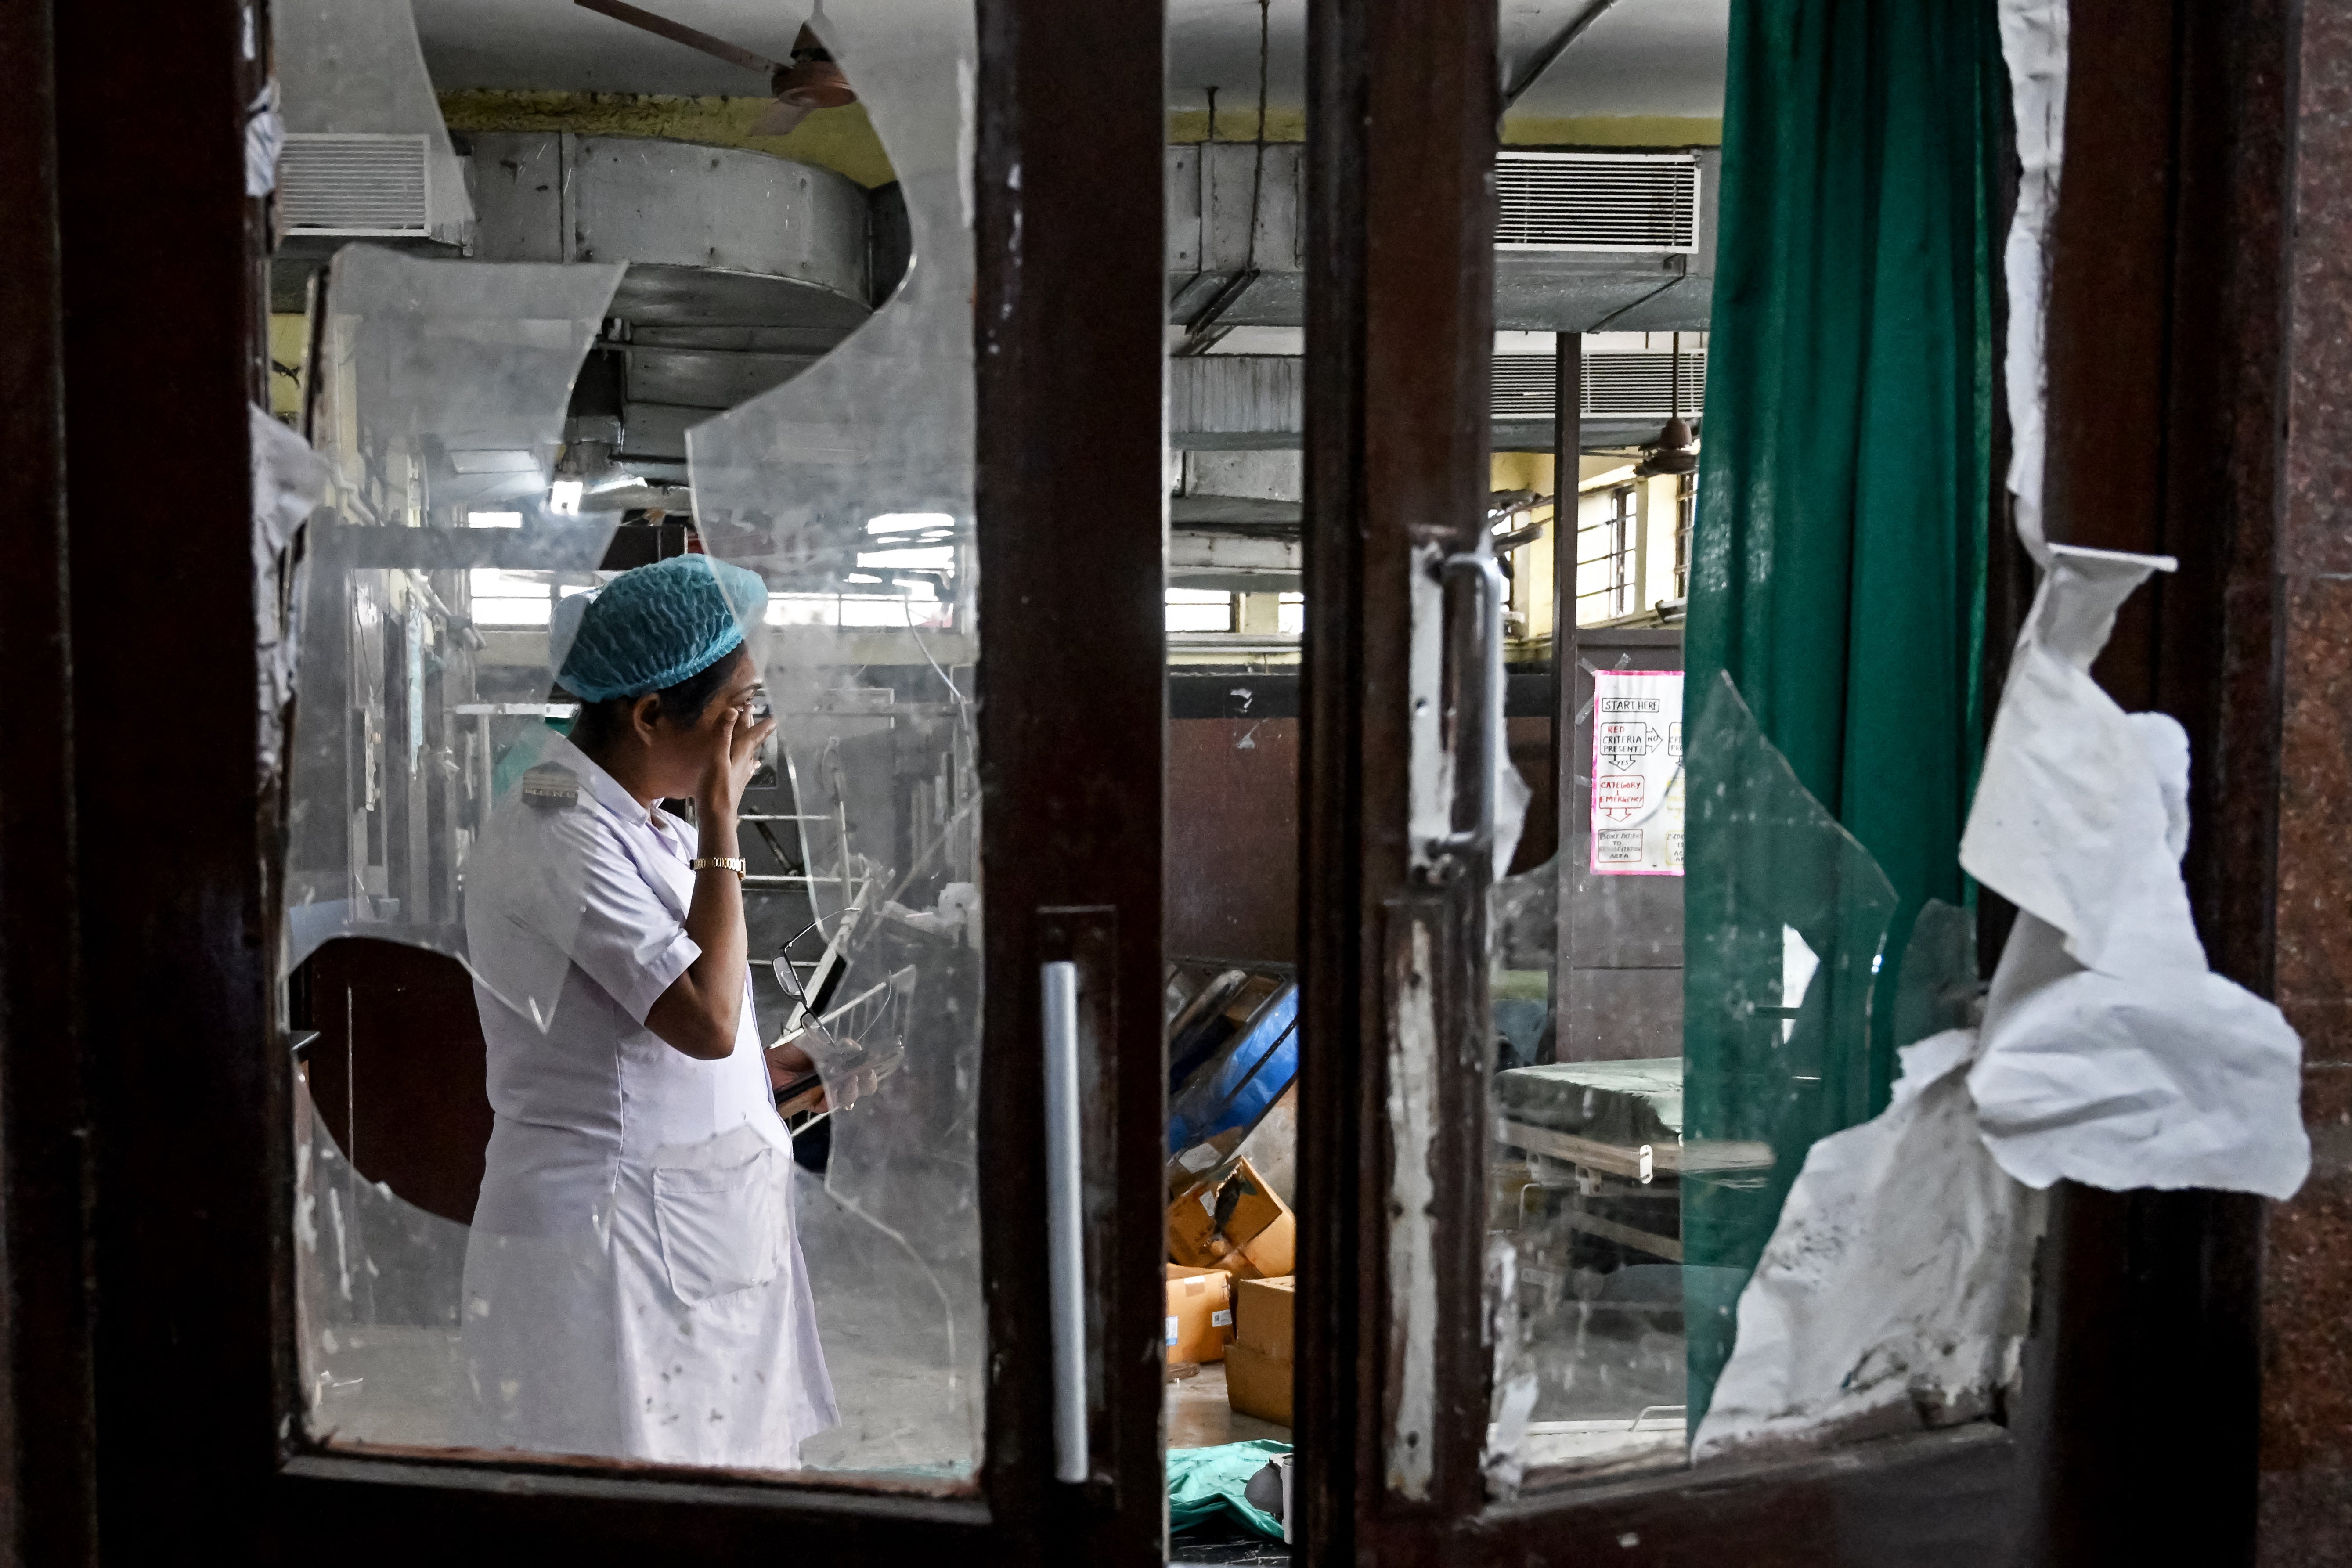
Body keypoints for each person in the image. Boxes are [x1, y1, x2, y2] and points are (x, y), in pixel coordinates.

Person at [458, 554, 836, 1469]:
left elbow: (687, 1011)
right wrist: (722, 817)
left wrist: (766, 1066)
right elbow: (703, 1020)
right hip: (612, 1239)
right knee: (638, 1491)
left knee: (719, 1479)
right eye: (738, 706)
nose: (755, 729)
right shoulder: (555, 821)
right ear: (649, 714)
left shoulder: (636, 816)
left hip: (689, 1227)